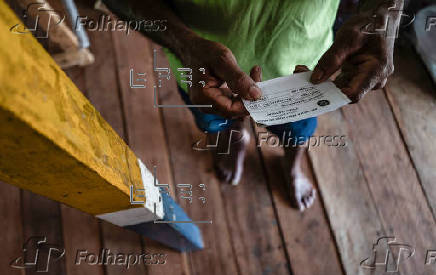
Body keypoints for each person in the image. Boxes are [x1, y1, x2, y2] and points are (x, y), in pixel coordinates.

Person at [102, 0, 403, 211]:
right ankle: (236, 141)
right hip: (199, 67)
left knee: (297, 131)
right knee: (215, 124)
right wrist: (184, 43)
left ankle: (292, 165)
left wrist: (385, 11)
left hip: (302, 68)